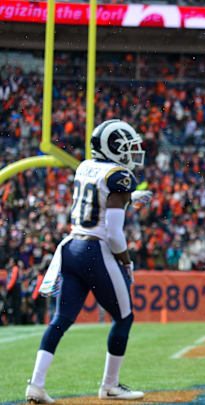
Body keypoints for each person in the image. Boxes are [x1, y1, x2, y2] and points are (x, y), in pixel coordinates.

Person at [26, 120, 150, 403]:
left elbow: (101, 197)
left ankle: (36, 384)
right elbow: (115, 235)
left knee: (61, 320)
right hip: (96, 252)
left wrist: (130, 197)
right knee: (124, 317)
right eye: (128, 148)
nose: (132, 154)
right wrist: (126, 262)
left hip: (71, 248)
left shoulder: (84, 166)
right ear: (114, 148)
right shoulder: (118, 176)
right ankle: (110, 385)